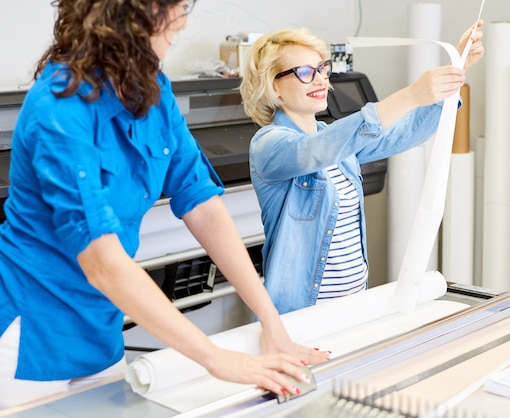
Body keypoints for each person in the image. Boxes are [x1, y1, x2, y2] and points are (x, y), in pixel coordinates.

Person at [0, 0, 328, 410]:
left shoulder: (151, 88)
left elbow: (201, 204)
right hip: (29, 335)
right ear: (127, 14)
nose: (183, 17)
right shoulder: (58, 109)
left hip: (100, 327)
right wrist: (217, 360)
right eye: (173, 7)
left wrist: (271, 322)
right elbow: (103, 262)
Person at [239, 24, 484, 315]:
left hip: (353, 304)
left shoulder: (338, 143)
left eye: (322, 69)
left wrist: (453, 70)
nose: (319, 80)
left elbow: (407, 132)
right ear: (274, 87)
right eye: (304, 72)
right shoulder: (269, 144)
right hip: (301, 315)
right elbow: (316, 149)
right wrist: (410, 95)